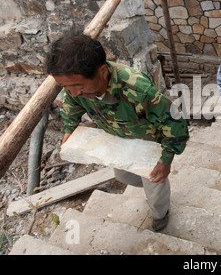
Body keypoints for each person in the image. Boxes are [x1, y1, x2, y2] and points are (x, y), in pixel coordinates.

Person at [46, 30, 189, 231]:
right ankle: (155, 188)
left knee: (154, 185)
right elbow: (71, 102)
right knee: (124, 176)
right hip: (118, 139)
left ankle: (161, 213)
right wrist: (70, 128)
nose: (74, 92)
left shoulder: (138, 90)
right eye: (66, 87)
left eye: (77, 86)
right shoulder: (75, 88)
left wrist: (166, 160)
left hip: (149, 144)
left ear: (103, 72)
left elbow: (175, 123)